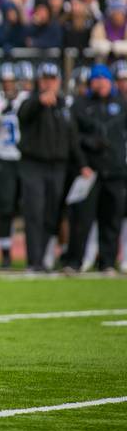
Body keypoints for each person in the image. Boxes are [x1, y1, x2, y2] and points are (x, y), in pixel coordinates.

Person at [18, 62, 91, 271]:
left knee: (52, 213)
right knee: (35, 212)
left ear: (59, 81)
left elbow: (72, 139)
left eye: (52, 79)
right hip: (34, 164)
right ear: (39, 81)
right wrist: (39, 103)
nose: (49, 83)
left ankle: (45, 257)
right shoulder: (30, 101)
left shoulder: (64, 106)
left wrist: (82, 164)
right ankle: (34, 261)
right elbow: (23, 115)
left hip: (58, 166)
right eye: (45, 79)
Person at [64, 65, 127, 274]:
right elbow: (73, 138)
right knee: (82, 219)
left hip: (116, 171)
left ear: (110, 81)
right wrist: (83, 161)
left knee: (111, 219)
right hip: (89, 170)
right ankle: (75, 261)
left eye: (103, 79)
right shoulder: (81, 105)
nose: (99, 83)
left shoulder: (122, 104)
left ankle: (107, 262)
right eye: (95, 79)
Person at [0, 63, 26, 267]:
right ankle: (5, 254)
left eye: (12, 82)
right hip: (4, 158)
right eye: (6, 82)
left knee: (29, 207)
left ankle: (35, 254)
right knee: (5, 207)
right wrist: (1, 111)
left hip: (23, 159)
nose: (9, 86)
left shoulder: (25, 101)